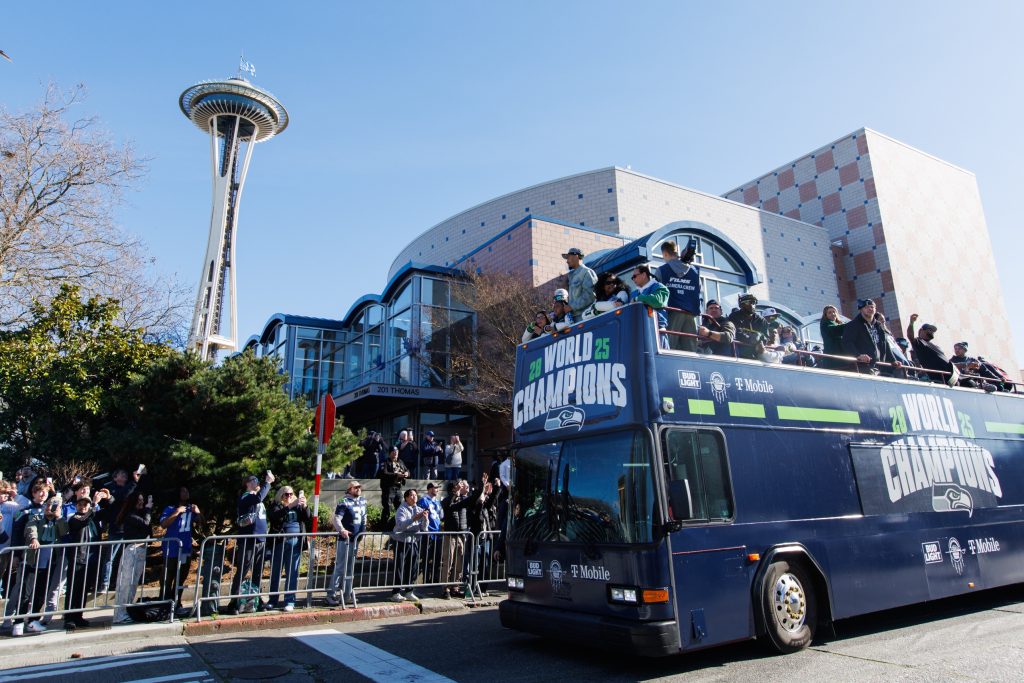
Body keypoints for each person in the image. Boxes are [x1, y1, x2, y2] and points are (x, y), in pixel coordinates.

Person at [14, 481, 66, 635]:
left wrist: (58, 518)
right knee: (25, 592)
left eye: (54, 505)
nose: (50, 507)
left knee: (41, 593)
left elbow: (64, 533)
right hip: (32, 559)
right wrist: (33, 539)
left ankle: (33, 621)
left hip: (48, 561)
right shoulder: (34, 515)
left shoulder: (57, 519)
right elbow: (30, 528)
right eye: (49, 505)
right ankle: (18, 621)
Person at [225, 470, 273, 614]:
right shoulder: (246, 497)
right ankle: (234, 601)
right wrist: (268, 483)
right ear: (247, 484)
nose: (256, 483)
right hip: (248, 539)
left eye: (257, 480)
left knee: (258, 571)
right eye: (253, 481)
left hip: (260, 539)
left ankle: (256, 599)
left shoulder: (256, 497)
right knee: (243, 570)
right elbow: (258, 498)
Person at [99, 466, 143, 593]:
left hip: (129, 528)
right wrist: (134, 482)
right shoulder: (111, 489)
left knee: (125, 558)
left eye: (125, 474)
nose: (124, 476)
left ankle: (119, 582)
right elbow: (121, 497)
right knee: (110, 558)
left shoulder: (131, 488)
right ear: (115, 477)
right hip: (116, 528)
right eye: (121, 474)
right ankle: (105, 583)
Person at [112, 492, 153, 625]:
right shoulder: (130, 515)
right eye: (139, 501)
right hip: (132, 550)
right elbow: (146, 524)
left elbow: (148, 530)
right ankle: (119, 614)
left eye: (142, 500)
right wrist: (148, 509)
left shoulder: (139, 513)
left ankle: (126, 611)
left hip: (141, 550)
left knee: (133, 584)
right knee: (125, 584)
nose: (141, 503)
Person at [267, 486, 311, 611]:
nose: (289, 497)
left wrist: (305, 506)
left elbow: (307, 517)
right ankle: (273, 600)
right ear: (281, 495)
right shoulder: (276, 505)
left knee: (292, 572)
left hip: (295, 541)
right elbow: (275, 517)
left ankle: (289, 600)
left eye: (291, 494)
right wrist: (290, 506)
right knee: (276, 572)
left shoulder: (298, 505)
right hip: (280, 541)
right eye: (286, 494)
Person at [327, 480, 366, 607]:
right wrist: (342, 530)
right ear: (349, 489)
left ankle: (347, 594)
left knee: (350, 568)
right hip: (345, 540)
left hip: (356, 539)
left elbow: (364, 518)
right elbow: (336, 519)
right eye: (355, 487)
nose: (358, 489)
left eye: (359, 487)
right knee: (340, 567)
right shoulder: (344, 502)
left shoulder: (363, 501)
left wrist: (363, 532)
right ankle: (331, 594)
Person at [159, 486, 201, 605]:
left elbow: (201, 523)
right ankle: (164, 601)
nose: (186, 492)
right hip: (172, 547)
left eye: (187, 491)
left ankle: (177, 601)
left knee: (181, 576)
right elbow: (163, 524)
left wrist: (198, 512)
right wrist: (177, 512)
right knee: (168, 576)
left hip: (185, 548)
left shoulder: (190, 509)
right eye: (183, 491)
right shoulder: (170, 508)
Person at [64, 496, 100, 630]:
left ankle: (79, 615)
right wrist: (93, 506)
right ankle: (69, 617)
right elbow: (82, 521)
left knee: (84, 588)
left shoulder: (93, 519)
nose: (83, 507)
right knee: (74, 588)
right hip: (78, 556)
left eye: (86, 504)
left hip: (90, 557)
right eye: (80, 504)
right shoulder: (74, 518)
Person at [658, 239, 701, 351]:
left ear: (665, 254)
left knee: (669, 348)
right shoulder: (695, 271)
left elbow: (658, 294)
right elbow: (698, 291)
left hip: (672, 313)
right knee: (691, 351)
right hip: (691, 314)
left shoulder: (662, 270)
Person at [390, 489, 429, 602]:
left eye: (415, 495)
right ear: (406, 498)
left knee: (413, 568)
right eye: (411, 495)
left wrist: (425, 519)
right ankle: (396, 592)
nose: (414, 497)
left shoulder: (419, 509)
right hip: (401, 542)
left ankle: (409, 591)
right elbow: (401, 525)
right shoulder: (401, 509)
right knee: (400, 567)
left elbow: (424, 528)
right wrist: (413, 519)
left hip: (414, 541)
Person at [842, 299, 897, 374]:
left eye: (872, 307)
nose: (870, 309)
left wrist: (893, 360)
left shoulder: (879, 325)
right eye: (867, 307)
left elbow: (885, 344)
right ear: (861, 310)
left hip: (879, 365)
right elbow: (847, 343)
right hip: (862, 367)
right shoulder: (853, 325)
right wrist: (858, 355)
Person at [440, 479, 471, 599]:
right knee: (448, 562)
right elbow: (447, 505)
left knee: (459, 563)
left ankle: (455, 587)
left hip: (461, 535)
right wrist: (455, 494)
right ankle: (445, 588)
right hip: (450, 535)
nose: (459, 488)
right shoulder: (447, 500)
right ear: (452, 489)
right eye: (457, 487)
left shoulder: (462, 500)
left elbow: (472, 501)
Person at [906, 314, 958, 386]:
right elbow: (910, 336)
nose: (932, 331)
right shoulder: (919, 342)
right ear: (921, 331)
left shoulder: (935, 346)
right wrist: (911, 323)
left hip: (952, 377)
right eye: (929, 329)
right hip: (940, 380)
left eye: (933, 330)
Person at [629, 264, 669, 345]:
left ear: (644, 275)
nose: (633, 279)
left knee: (658, 357)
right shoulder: (633, 293)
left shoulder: (660, 287)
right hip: (637, 333)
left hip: (656, 332)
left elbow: (658, 301)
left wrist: (638, 299)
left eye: (634, 276)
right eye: (632, 277)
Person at [417, 482, 444, 590]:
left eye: (437, 488)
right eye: (435, 488)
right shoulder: (423, 501)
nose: (437, 490)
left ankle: (435, 578)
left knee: (437, 557)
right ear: (429, 489)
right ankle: (426, 579)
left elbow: (441, 516)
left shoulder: (437, 502)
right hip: (428, 532)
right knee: (427, 556)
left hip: (437, 532)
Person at [728, 293, 770, 360]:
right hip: (739, 352)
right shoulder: (734, 316)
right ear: (741, 305)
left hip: (758, 352)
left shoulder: (761, 320)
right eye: (748, 302)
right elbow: (736, 333)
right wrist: (750, 338)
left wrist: (760, 338)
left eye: (754, 302)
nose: (752, 305)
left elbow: (766, 337)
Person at [562, 247, 597, 315]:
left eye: (568, 258)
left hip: (585, 316)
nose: (567, 261)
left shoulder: (586, 272)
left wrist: (572, 307)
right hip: (575, 318)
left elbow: (590, 295)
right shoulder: (572, 276)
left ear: (576, 257)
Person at [379, 447, 408, 521]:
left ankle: (397, 524)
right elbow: (383, 473)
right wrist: (396, 475)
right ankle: (383, 527)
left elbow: (406, 469)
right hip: (388, 488)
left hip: (398, 488)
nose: (395, 453)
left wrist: (407, 473)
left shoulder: (400, 461)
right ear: (390, 453)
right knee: (387, 508)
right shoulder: (385, 462)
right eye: (393, 451)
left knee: (401, 507)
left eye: (396, 451)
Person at [819, 304, 846, 369]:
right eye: (829, 312)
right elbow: (835, 330)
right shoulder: (825, 324)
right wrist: (851, 325)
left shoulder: (840, 323)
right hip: (833, 358)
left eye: (834, 312)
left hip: (842, 355)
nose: (833, 314)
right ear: (826, 315)